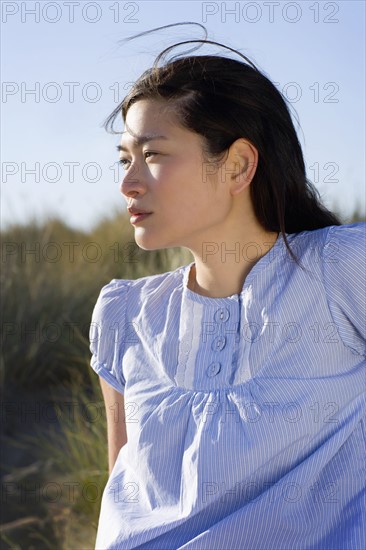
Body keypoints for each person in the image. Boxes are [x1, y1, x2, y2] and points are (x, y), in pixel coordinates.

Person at [89, 27, 365, 549]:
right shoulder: (124, 314)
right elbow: (120, 499)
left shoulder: (341, 269)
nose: (128, 182)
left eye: (153, 155)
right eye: (125, 158)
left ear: (237, 164)